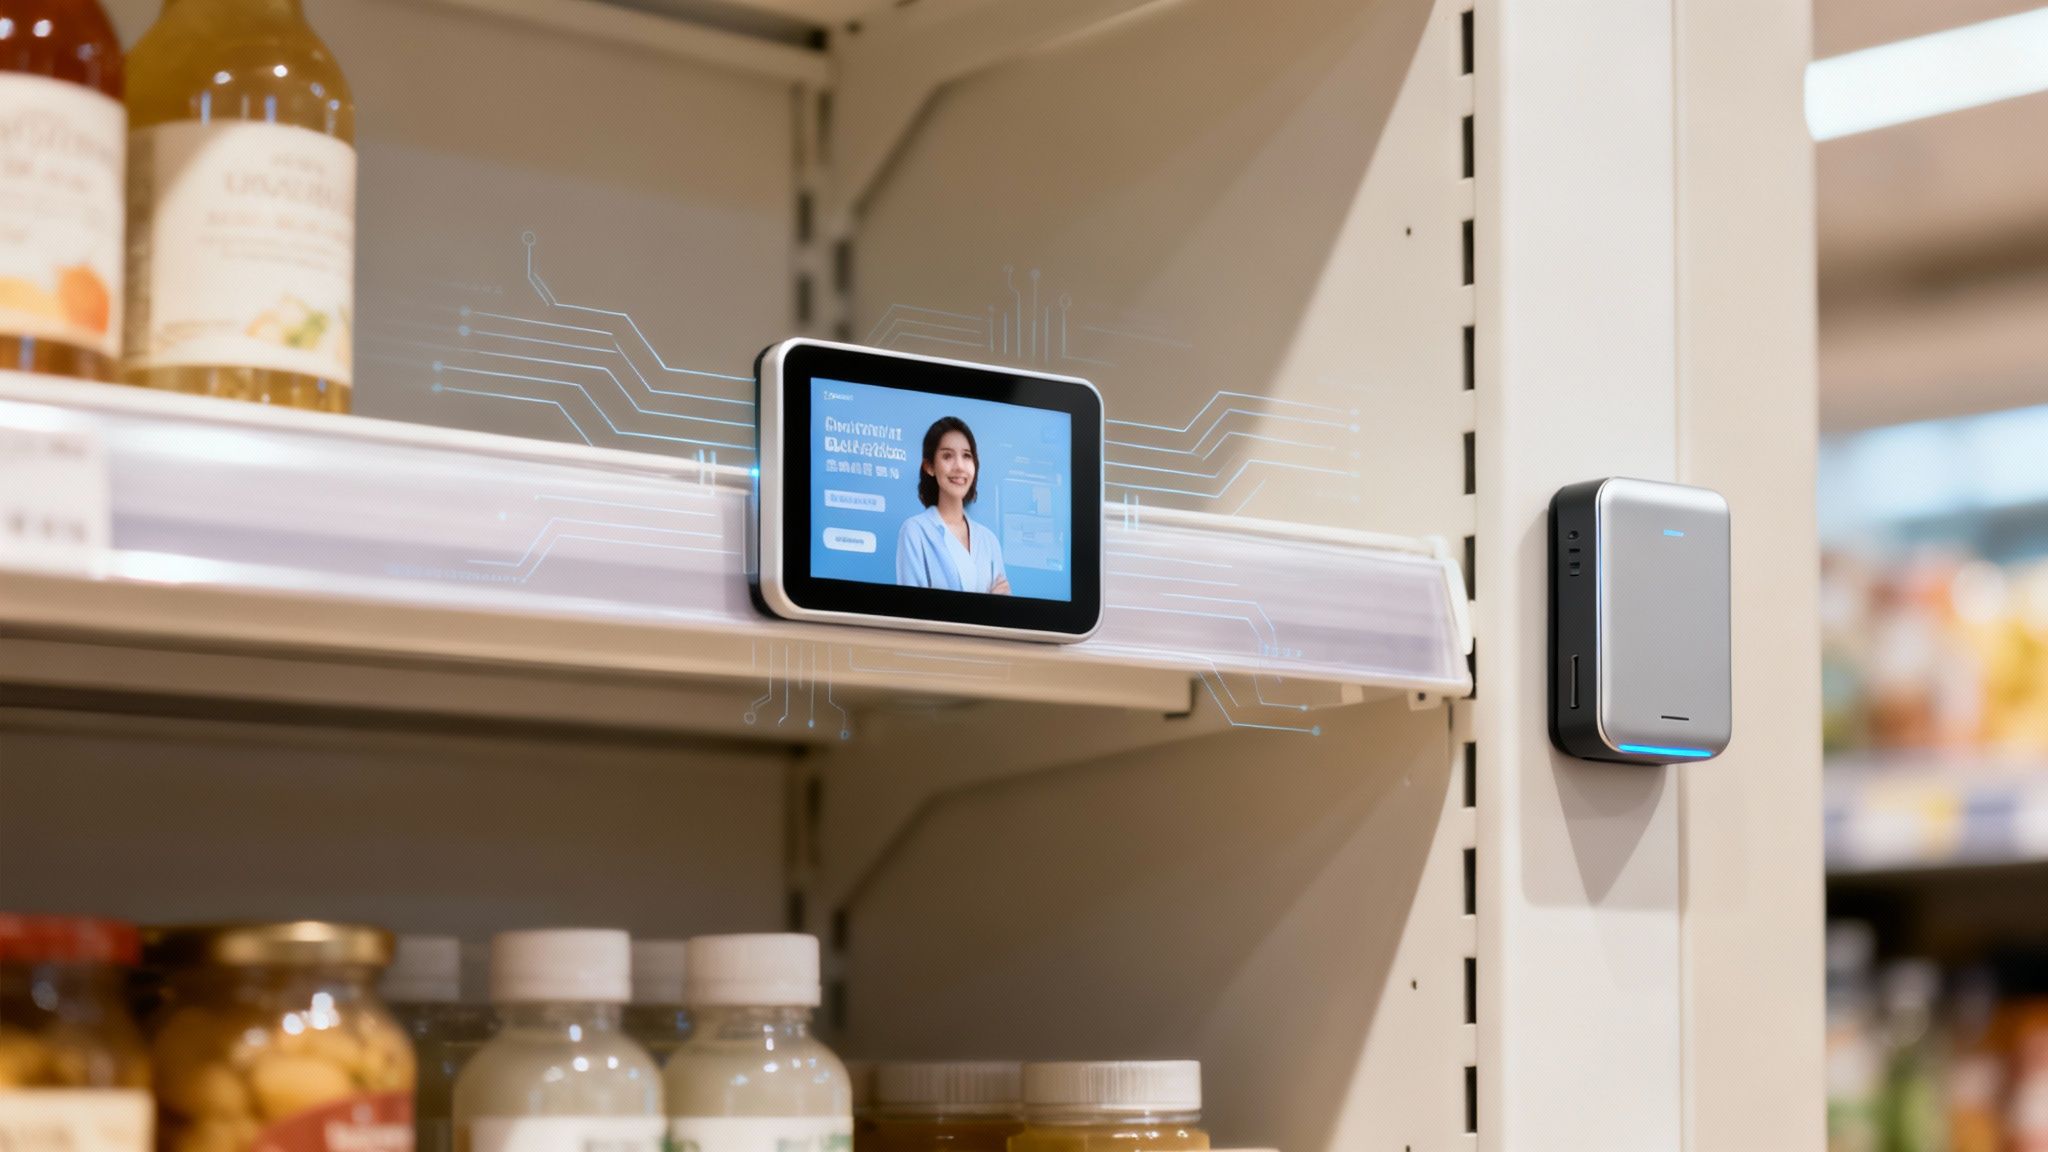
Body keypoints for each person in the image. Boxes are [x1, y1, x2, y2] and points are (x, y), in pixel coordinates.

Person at [896, 416, 1011, 594]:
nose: (959, 466)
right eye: (947, 456)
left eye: (967, 456)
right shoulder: (915, 532)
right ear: (930, 466)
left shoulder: (989, 541)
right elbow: (911, 613)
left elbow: (1004, 613)